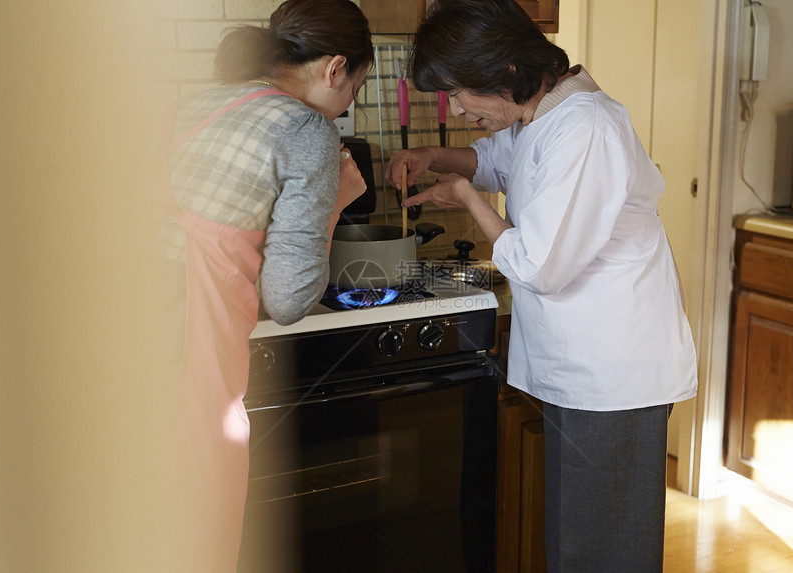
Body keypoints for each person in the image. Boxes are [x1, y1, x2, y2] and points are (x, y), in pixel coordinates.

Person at [386, 1, 697, 570]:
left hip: (613, 373)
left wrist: (468, 200)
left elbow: (540, 265)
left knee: (606, 550)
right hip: (579, 366)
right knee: (577, 541)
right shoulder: (541, 111)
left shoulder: (585, 127)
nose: (456, 108)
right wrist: (434, 156)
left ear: (501, 71)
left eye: (459, 92)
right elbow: (500, 163)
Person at [158, 1, 373, 570]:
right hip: (188, 354)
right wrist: (337, 201)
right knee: (194, 528)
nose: (350, 103)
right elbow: (289, 297)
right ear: (334, 68)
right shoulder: (307, 130)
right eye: (357, 86)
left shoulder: (197, 101)